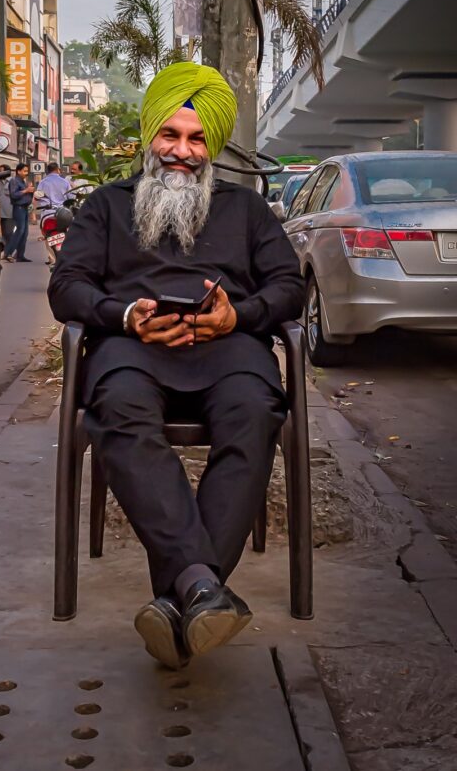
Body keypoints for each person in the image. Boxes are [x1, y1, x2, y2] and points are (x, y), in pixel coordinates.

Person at [48, 62, 304, 669]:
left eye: (196, 139)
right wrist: (124, 314)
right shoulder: (107, 207)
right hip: (133, 351)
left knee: (254, 410)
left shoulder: (246, 210)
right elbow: (68, 286)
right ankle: (203, 590)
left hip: (231, 351)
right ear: (149, 138)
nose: (182, 152)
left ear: (210, 146)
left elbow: (289, 288)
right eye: (170, 136)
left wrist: (237, 316)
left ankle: (180, 595)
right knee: (117, 406)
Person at [3, 163, 35, 263]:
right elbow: (14, 194)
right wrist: (26, 190)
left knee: (25, 233)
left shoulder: (23, 181)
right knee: (19, 231)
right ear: (18, 171)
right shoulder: (14, 181)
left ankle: (20, 255)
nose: (26, 173)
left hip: (25, 208)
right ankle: (7, 253)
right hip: (19, 208)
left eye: (27, 171)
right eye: (24, 171)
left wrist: (30, 190)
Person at [0, 177, 15, 252]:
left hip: (10, 212)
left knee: (9, 233)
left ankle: (11, 252)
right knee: (4, 234)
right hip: (2, 213)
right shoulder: (0, 184)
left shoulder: (13, 181)